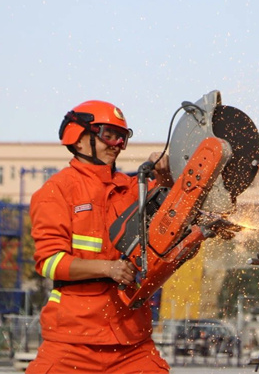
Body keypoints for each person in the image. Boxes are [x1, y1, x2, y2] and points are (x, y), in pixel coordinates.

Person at [26, 100, 172, 374]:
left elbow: (171, 213)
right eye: (109, 135)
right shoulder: (56, 191)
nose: (117, 144)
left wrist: (165, 177)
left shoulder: (133, 188)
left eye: (122, 137)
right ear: (79, 139)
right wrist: (108, 268)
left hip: (131, 342)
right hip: (72, 342)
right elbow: (49, 262)